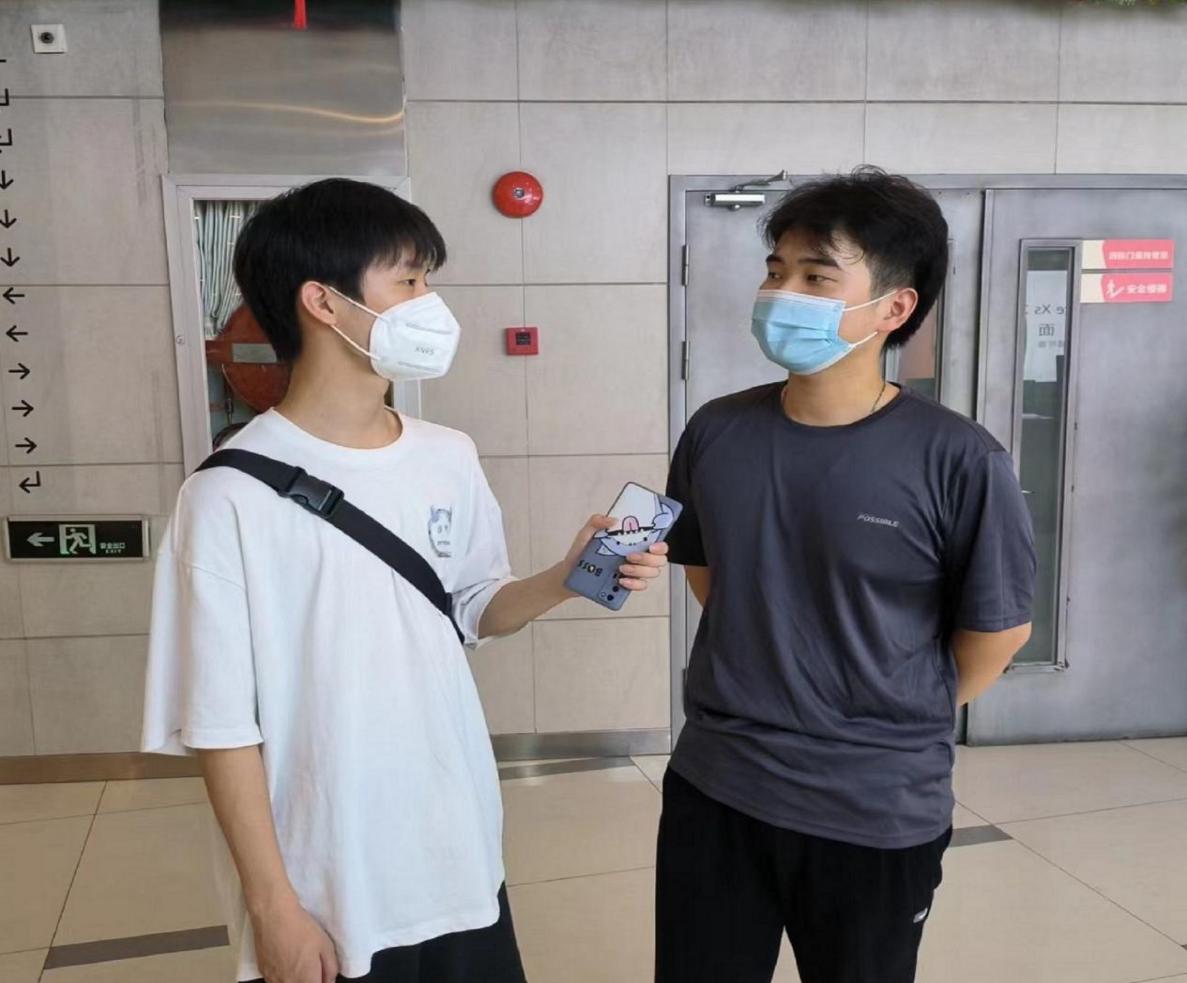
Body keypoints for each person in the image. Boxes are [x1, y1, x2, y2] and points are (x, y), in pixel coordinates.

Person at [141, 178, 668, 983]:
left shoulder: (445, 453)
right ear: (323, 301)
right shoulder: (225, 495)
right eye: (411, 280)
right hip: (330, 879)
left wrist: (566, 577)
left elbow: (476, 607)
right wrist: (273, 907)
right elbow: (220, 724)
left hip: (456, 849)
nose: (432, 304)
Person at [656, 167, 1037, 983]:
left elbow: (998, 632)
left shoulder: (957, 457)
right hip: (715, 784)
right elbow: (713, 578)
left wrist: (879, 712)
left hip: (871, 807)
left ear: (893, 308)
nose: (780, 292)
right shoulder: (716, 431)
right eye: (775, 270)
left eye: (815, 276)